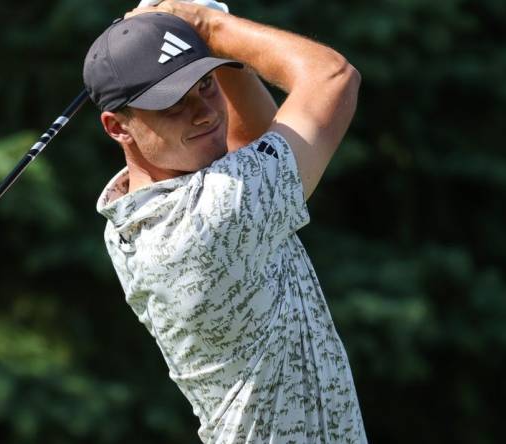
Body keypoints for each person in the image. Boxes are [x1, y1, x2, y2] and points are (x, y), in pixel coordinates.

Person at [83, 1, 365, 442]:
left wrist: (201, 36)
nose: (205, 112)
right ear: (118, 127)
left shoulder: (133, 213)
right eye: (172, 103)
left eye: (207, 84)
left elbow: (251, 141)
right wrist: (208, 22)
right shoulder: (208, 220)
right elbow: (333, 77)